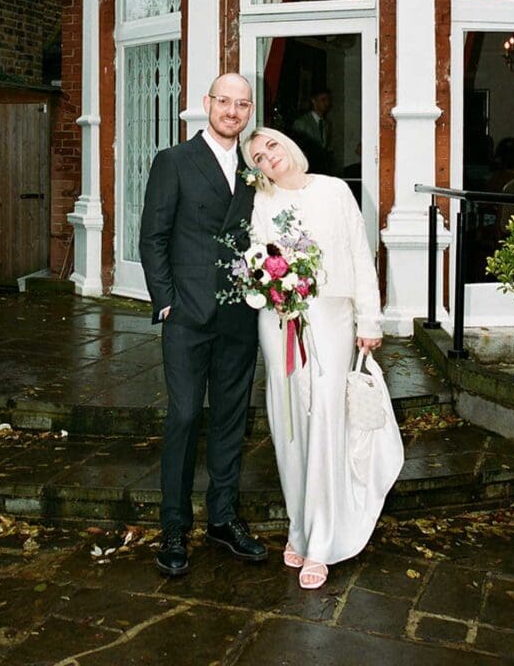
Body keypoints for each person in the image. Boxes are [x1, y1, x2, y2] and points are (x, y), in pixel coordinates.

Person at [242, 126, 401, 590]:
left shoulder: (334, 191)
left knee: (325, 421)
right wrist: (269, 284)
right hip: (278, 322)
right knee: (288, 422)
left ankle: (324, 539)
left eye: (271, 145)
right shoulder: (262, 203)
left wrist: (370, 321)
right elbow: (256, 257)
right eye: (256, 156)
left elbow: (358, 254)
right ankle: (299, 526)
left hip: (331, 321)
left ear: (288, 146)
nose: (267, 157)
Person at [139, 73, 268, 577]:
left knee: (231, 422)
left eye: (241, 104)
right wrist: (166, 302)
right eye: (224, 101)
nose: (232, 111)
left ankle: (222, 518)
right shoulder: (174, 161)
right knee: (186, 416)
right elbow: (153, 237)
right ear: (206, 103)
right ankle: (174, 525)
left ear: (249, 111)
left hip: (240, 316)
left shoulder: (257, 168)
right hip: (188, 316)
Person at [293, 88, 333, 173]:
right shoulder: (302, 123)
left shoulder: (326, 124)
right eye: (323, 100)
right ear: (314, 101)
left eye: (328, 100)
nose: (327, 103)